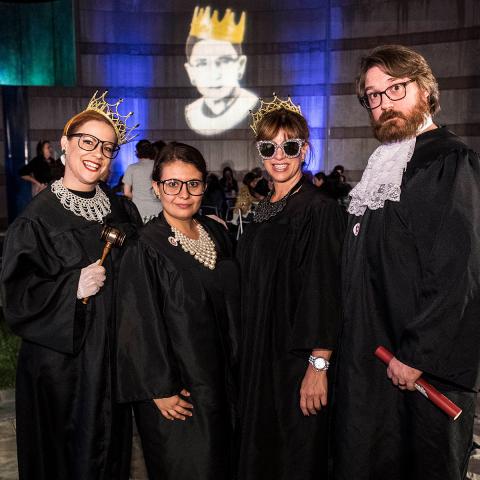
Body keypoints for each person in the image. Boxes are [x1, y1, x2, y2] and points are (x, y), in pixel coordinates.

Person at [333, 45, 480, 480]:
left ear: (427, 91)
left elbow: (459, 271)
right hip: (373, 367)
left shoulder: (449, 160)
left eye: (395, 88)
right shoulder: (384, 163)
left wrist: (418, 353)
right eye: (373, 96)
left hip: (418, 371)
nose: (384, 104)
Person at [0, 91, 142, 480]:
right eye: (87, 142)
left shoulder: (119, 209)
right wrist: (70, 287)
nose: (97, 153)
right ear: (65, 144)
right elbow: (16, 300)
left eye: (108, 148)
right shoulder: (37, 220)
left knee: (111, 454)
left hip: (110, 363)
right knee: (66, 459)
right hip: (62, 372)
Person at [116, 142, 240, 480]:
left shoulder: (216, 233)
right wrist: (159, 389)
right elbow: (135, 322)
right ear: (156, 188)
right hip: (178, 393)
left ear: (204, 185)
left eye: (193, 183)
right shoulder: (145, 247)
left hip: (220, 384)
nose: (183, 193)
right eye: (172, 184)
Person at [236, 97, 346, 480]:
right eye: (269, 148)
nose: (279, 156)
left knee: (294, 455)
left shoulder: (320, 208)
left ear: (306, 149)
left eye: (290, 146)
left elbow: (326, 289)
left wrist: (318, 364)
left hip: (294, 359)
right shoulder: (265, 207)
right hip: (260, 355)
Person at [184, 6, 257, 135]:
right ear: (191, 72)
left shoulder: (252, 104)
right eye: (202, 63)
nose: (214, 74)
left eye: (224, 61)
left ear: (240, 65)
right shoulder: (191, 113)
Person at [123, 139, 163, 223]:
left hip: (140, 211)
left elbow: (126, 193)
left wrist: (137, 197)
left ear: (137, 152)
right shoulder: (158, 166)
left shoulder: (132, 168)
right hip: (159, 210)